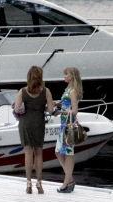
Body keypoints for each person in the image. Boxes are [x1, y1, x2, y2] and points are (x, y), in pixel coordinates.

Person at [14, 66, 54, 194]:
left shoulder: (23, 91)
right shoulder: (46, 91)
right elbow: (50, 110)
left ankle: (28, 184)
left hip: (25, 123)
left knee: (28, 153)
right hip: (38, 123)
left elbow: (17, 109)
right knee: (38, 153)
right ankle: (39, 183)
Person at [54, 67, 82, 193]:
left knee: (68, 153)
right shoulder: (68, 89)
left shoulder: (73, 91)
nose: (64, 76)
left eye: (66, 74)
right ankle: (69, 179)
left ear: (72, 76)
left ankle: (67, 183)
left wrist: (65, 111)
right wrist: (57, 104)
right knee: (59, 152)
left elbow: (75, 110)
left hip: (68, 125)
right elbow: (66, 104)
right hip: (63, 124)